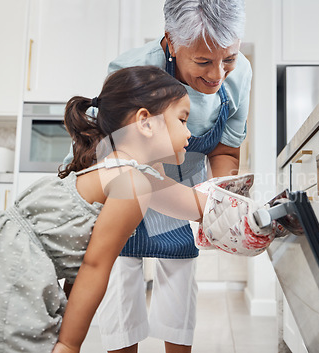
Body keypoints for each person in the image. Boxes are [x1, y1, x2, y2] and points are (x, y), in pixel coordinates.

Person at [0, 65, 209, 353]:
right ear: (145, 122)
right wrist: (69, 344)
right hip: (9, 271)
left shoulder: (115, 167)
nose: (190, 133)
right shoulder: (133, 183)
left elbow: (189, 202)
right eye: (182, 120)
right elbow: (94, 267)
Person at [62, 1, 252, 352]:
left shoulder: (239, 76)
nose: (217, 75)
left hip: (186, 176)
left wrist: (224, 199)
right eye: (203, 61)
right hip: (126, 174)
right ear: (172, 42)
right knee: (120, 271)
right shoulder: (133, 68)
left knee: (179, 280)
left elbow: (225, 149)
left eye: (229, 58)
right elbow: (125, 158)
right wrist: (202, 206)